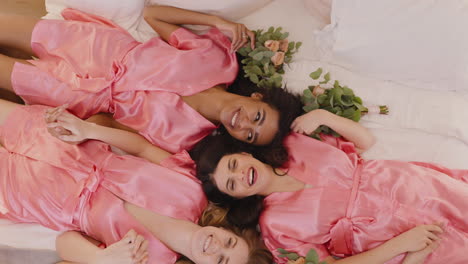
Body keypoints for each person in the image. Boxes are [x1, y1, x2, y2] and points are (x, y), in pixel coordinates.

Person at [0, 5, 302, 153]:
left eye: (250, 135)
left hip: (87, 96)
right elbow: (152, 15)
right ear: (256, 98)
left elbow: (115, 126)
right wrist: (216, 22)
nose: (244, 124)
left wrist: (85, 127)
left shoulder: (185, 139)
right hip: (104, 49)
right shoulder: (218, 60)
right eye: (257, 117)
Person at [0, 100, 270, 264]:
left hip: (40, 194)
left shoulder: (149, 260)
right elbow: (141, 149)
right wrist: (88, 130)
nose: (216, 247)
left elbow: (63, 240)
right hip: (69, 144)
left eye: (220, 262)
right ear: (229, 231)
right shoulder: (192, 190)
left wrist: (100, 259)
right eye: (229, 243)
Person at [192, 109, 468, 263]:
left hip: (407, 184)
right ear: (237, 196)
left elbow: (365, 142)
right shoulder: (274, 225)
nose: (240, 175)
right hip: (392, 234)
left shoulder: (294, 143)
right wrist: (400, 245)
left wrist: (324, 116)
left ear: (244, 154)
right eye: (231, 184)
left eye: (232, 166)